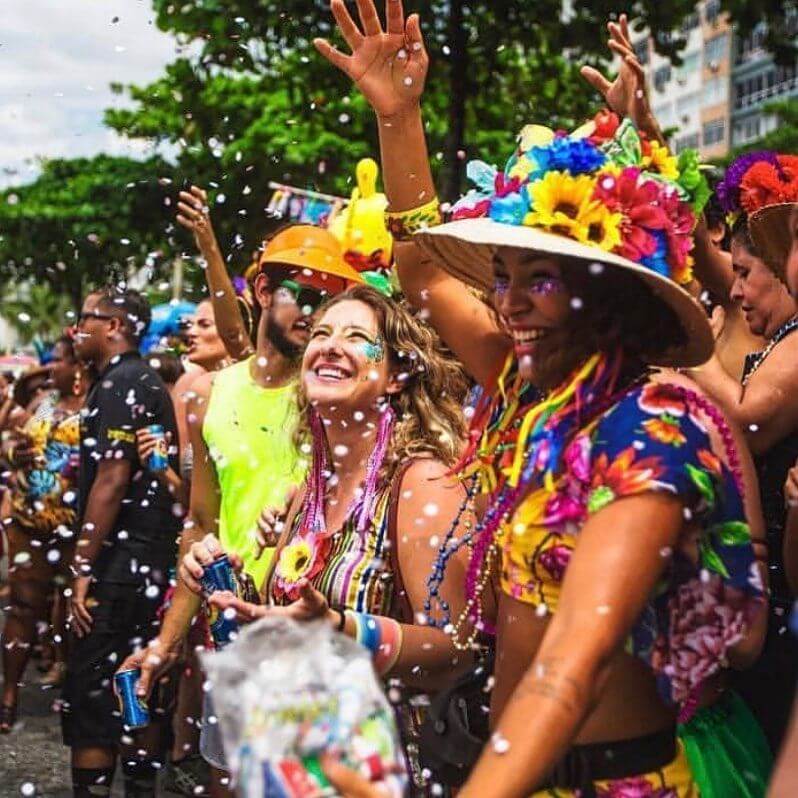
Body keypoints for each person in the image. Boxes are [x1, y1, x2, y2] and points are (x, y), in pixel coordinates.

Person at [315, 2, 765, 794]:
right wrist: (399, 118)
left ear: (609, 295)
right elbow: (422, 275)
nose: (508, 303)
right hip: (525, 773)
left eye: (541, 279)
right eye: (503, 277)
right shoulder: (532, 398)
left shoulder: (655, 427)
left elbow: (570, 668)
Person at [180, 284, 474, 794]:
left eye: (357, 337)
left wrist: (344, 629)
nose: (331, 346)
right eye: (321, 334)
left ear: (396, 376)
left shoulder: (421, 483)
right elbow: (287, 621)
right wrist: (226, 587)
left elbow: (457, 651)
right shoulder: (309, 492)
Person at [116, 225, 363, 793]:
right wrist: (167, 643)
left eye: (327, 300)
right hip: (232, 630)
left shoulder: (333, 396)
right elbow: (203, 524)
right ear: (263, 292)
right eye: (302, 293)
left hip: (316, 629)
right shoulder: (212, 394)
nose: (314, 313)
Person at [688, 152, 798, 756]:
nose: (732, 290)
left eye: (745, 272)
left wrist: (686, 348)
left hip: (782, 609)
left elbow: (749, 423)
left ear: (781, 269)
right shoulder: (776, 334)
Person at [61, 286, 182, 798]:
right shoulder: (138, 380)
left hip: (118, 569)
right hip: (146, 569)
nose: (76, 329)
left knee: (92, 700)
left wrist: (82, 569)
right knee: (137, 690)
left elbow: (111, 480)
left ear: (114, 326)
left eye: (85, 318)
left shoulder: (123, 382)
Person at [0, 336, 85, 731]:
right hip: (28, 520)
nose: (53, 371)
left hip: (76, 527)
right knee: (22, 606)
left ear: (80, 367)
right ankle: (9, 694)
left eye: (61, 362)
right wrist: (13, 454)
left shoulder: (98, 404)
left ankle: (74, 693)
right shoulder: (45, 402)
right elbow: (16, 444)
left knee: (74, 612)